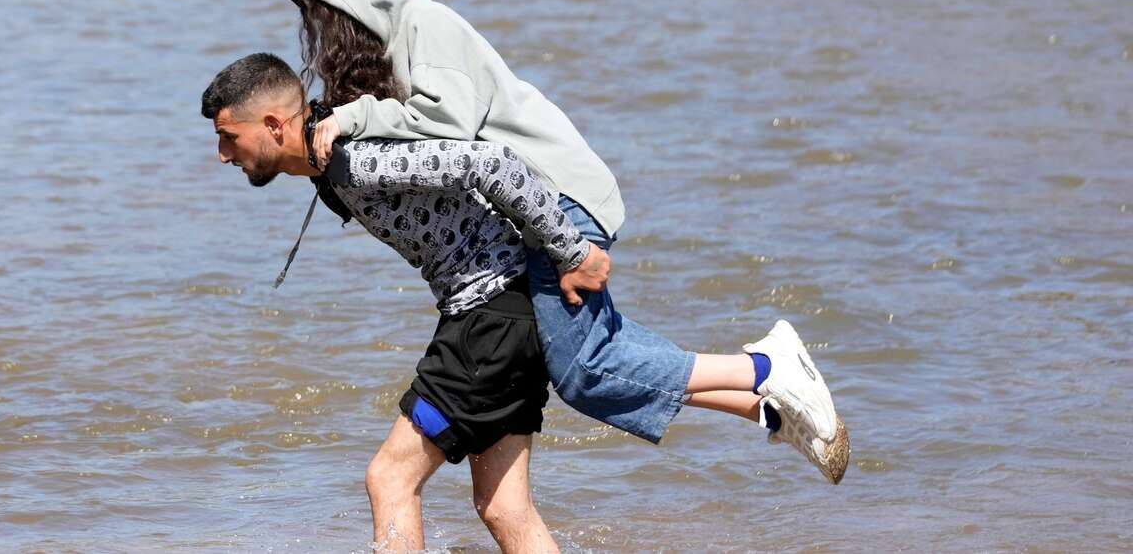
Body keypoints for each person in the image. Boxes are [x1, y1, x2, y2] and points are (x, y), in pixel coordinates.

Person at [201, 54, 848, 554]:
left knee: (389, 479)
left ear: (273, 124)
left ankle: (764, 375)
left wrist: (569, 251)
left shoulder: (352, 159)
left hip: (489, 320)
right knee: (504, 510)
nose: (222, 154)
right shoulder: (331, 162)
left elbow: (492, 166)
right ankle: (767, 397)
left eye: (228, 137)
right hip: (489, 317)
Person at [275, 0, 849, 478]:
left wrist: (355, 116)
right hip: (547, 201)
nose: (315, 30)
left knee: (584, 369)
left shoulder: (425, 25)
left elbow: (444, 127)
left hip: (560, 195)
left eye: (317, 11)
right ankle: (767, 406)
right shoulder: (396, 47)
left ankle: (766, 369)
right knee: (597, 351)